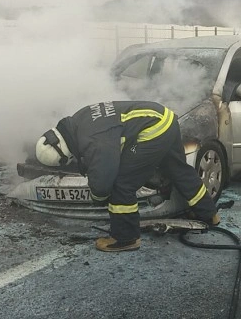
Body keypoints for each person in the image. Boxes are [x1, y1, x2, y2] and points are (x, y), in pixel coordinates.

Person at [35, 101, 219, 252]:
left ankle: (126, 238)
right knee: (178, 169)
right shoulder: (77, 120)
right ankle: (209, 214)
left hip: (153, 130)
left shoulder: (93, 141)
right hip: (165, 119)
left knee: (121, 183)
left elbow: (104, 179)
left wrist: (98, 197)